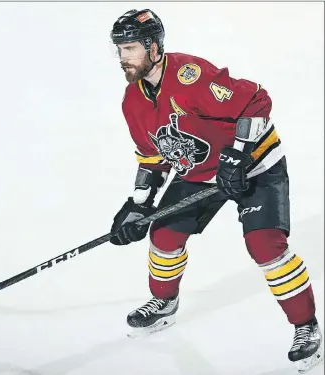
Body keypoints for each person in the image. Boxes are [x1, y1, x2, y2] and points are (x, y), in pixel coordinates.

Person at [108, 8, 323, 373]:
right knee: (163, 237)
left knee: (265, 246)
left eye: (129, 49)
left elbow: (256, 100)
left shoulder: (190, 76)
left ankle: (306, 327)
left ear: (154, 47)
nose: (122, 58)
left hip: (256, 165)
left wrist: (238, 155)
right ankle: (164, 304)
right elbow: (152, 155)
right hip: (201, 174)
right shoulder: (132, 100)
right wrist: (138, 204)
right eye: (120, 50)